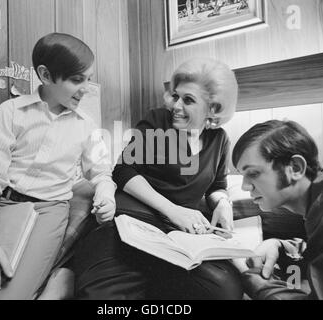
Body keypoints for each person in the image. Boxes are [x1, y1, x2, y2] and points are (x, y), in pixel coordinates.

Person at [0, 33, 116, 300]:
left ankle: (60, 281)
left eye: (88, 79)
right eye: (76, 80)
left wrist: (106, 195)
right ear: (46, 75)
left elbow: (101, 172)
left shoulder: (86, 125)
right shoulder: (9, 113)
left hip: (50, 211)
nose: (85, 89)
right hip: (0, 207)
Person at [70, 58, 242, 299]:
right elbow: (123, 171)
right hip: (132, 218)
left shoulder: (220, 140)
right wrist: (173, 210)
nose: (176, 106)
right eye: (175, 96)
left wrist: (223, 203)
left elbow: (218, 186)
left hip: (179, 234)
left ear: (213, 108)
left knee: (225, 290)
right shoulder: (157, 121)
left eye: (188, 100)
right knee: (101, 295)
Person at [230, 120, 323, 300]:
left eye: (254, 173)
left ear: (295, 168)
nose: (245, 187)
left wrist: (250, 277)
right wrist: (282, 246)